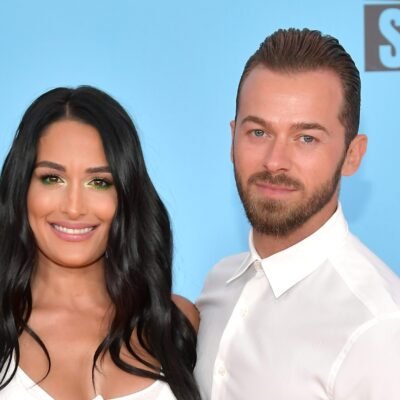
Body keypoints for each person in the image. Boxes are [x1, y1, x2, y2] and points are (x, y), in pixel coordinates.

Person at [195, 28, 400, 399]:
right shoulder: (218, 286)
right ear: (232, 138)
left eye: (306, 138)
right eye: (258, 133)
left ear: (352, 155)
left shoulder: (378, 328)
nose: (275, 161)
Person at [0, 86, 201, 400]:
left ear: (125, 195)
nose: (74, 207)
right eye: (52, 178)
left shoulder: (176, 322)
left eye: (99, 182)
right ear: (21, 188)